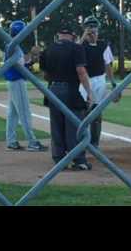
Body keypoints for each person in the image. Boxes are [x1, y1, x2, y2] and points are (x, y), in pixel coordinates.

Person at [39, 25, 94, 171]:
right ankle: (78, 160)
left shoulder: (48, 49)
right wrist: (89, 92)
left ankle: (59, 158)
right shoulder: (76, 48)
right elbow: (81, 71)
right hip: (70, 89)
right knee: (75, 124)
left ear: (59, 35)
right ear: (72, 35)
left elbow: (45, 75)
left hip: (52, 89)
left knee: (56, 125)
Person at [3, 20, 48, 152]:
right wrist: (32, 59)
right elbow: (20, 69)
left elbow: (20, 66)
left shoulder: (11, 45)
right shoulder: (14, 47)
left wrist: (32, 60)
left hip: (13, 81)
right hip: (17, 81)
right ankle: (32, 142)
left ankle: (11, 141)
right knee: (25, 113)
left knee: (13, 114)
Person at [78, 16, 121, 149]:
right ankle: (81, 140)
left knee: (97, 113)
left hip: (100, 80)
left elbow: (108, 65)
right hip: (84, 81)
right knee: (83, 111)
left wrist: (113, 82)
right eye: (89, 28)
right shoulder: (81, 45)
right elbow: (73, 52)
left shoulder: (103, 46)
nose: (92, 31)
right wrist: (83, 37)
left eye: (94, 28)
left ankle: (94, 142)